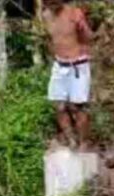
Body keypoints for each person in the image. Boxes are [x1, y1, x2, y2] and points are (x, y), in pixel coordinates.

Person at [43, 0, 93, 150]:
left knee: (78, 107)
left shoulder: (74, 13)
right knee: (58, 106)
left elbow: (89, 38)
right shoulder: (46, 15)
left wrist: (82, 27)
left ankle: (83, 143)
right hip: (59, 65)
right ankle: (71, 139)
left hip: (77, 65)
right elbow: (50, 40)